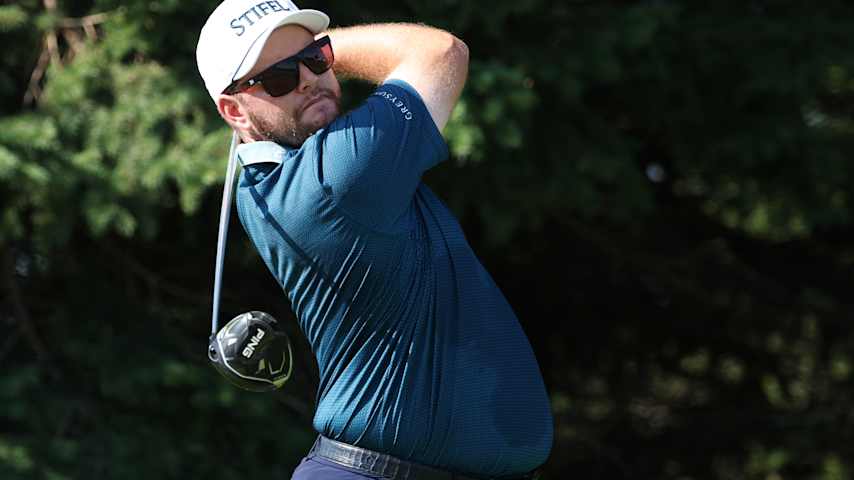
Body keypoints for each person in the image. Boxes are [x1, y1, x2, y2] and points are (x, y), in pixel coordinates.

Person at [196, 1, 553, 478]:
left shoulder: (259, 186)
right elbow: (441, 51)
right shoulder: (338, 176)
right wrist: (325, 52)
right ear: (233, 111)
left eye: (316, 59)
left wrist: (288, 65)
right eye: (279, 78)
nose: (307, 78)